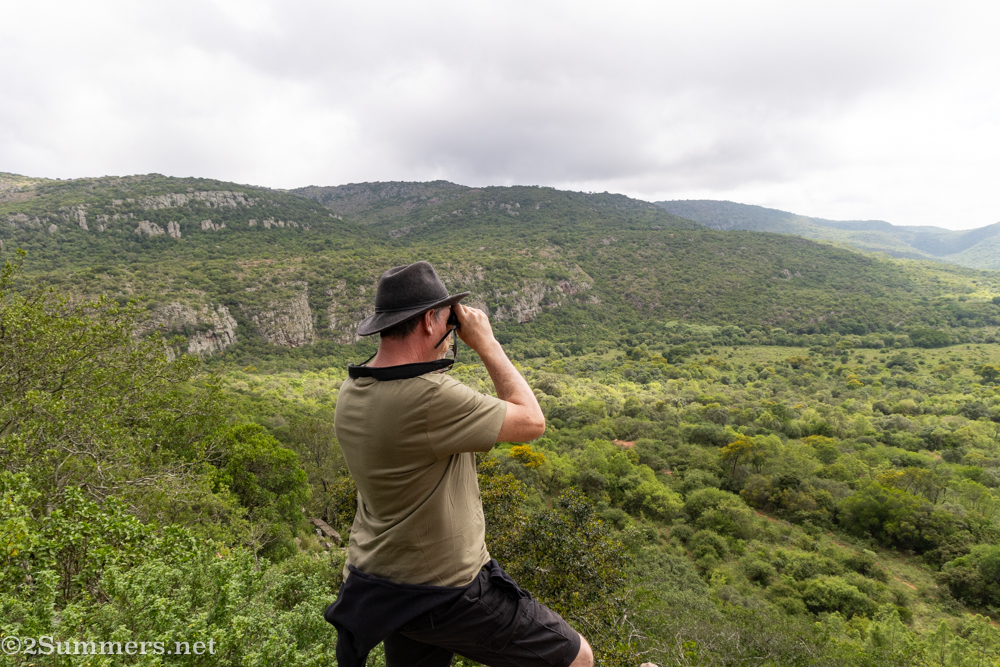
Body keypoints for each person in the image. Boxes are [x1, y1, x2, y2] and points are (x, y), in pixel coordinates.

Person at [325, 261, 593, 667]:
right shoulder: (430, 396)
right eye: (448, 320)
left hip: (381, 583)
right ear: (429, 321)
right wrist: (487, 343)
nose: (453, 331)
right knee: (576, 657)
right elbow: (532, 421)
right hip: (445, 589)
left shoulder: (354, 387)